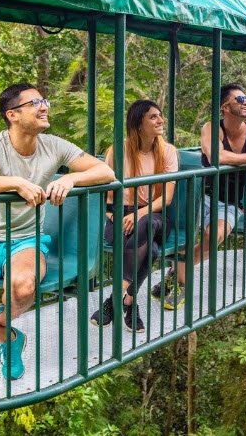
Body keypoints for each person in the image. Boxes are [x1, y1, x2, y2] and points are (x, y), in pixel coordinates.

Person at [0, 83, 115, 380]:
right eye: (34, 103)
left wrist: (71, 179)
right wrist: (13, 182)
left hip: (28, 240)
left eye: (43, 100)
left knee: (23, 287)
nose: (44, 106)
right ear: (13, 114)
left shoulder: (54, 145)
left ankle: (1, 319)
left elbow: (106, 172)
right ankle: (7, 338)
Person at [152, 83, 246, 309]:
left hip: (229, 202)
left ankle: (176, 271)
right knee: (185, 235)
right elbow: (217, 157)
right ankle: (181, 286)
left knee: (214, 236)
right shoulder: (212, 128)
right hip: (201, 196)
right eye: (240, 99)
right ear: (225, 108)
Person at [91, 100, 178, 333]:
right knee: (151, 251)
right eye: (153, 117)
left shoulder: (168, 151)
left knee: (147, 223)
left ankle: (113, 299)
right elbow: (107, 194)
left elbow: (166, 198)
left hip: (155, 214)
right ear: (138, 123)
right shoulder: (117, 151)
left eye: (160, 115)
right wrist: (113, 215)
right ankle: (129, 300)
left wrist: (138, 213)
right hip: (120, 214)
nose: (160, 121)